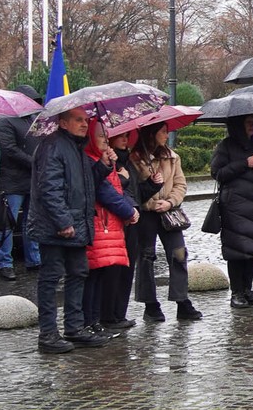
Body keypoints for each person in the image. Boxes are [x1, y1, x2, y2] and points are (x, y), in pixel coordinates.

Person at [31, 106, 101, 354]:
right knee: (50, 278)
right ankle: (48, 334)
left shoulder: (76, 147)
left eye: (86, 120)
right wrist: (63, 222)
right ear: (63, 123)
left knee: (78, 273)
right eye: (78, 120)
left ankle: (74, 328)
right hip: (56, 227)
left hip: (76, 225)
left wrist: (104, 164)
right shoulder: (53, 146)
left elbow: (84, 186)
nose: (85, 124)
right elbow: (49, 188)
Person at [129, 124, 201, 322]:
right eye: (163, 131)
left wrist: (169, 202)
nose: (167, 135)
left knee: (179, 253)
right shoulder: (135, 158)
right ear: (151, 134)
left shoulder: (172, 157)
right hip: (146, 214)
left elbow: (180, 184)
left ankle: (182, 301)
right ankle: (150, 304)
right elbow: (132, 190)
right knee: (146, 257)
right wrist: (151, 198)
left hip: (169, 212)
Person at [211, 117, 253, 307]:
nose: (251, 125)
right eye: (247, 122)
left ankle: (248, 289)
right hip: (235, 206)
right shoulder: (226, 146)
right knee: (236, 250)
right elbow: (218, 173)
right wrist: (244, 163)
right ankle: (237, 293)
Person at [83, 128, 140, 333]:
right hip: (103, 224)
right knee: (96, 275)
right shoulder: (90, 159)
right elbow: (105, 191)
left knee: (102, 274)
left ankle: (98, 320)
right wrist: (129, 211)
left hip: (112, 223)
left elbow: (123, 189)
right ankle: (93, 321)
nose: (106, 141)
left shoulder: (108, 160)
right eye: (101, 136)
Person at [0, 85, 42, 279]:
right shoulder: (5, 121)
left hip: (31, 180)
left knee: (32, 221)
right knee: (7, 223)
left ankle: (34, 259)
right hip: (12, 181)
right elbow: (9, 149)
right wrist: (34, 162)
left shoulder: (32, 120)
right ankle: (5, 262)